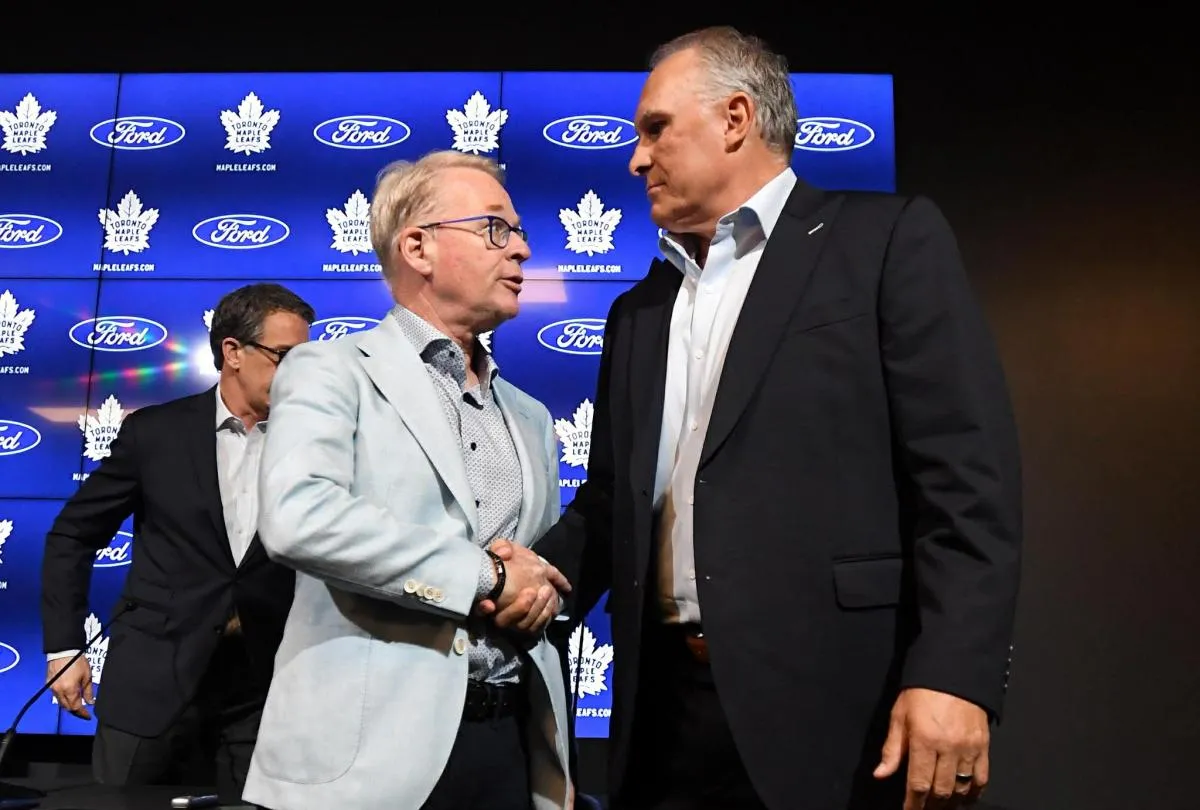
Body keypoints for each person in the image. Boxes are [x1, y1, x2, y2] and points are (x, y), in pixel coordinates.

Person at [530, 26, 1023, 810]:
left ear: (734, 119)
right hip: (662, 718)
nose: (635, 158)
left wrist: (954, 674)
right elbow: (612, 498)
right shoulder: (638, 310)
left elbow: (965, 479)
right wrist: (535, 574)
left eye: (655, 129)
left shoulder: (884, 241)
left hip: (843, 712)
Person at [242, 150, 574, 810]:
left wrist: (535, 592)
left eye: (520, 233)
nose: (523, 252)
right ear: (417, 246)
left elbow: (529, 572)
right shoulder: (329, 370)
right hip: (368, 759)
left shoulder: (533, 417)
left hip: (510, 744)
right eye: (495, 230)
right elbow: (300, 516)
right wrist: (485, 576)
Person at [40, 283, 316, 800]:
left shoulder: (318, 442)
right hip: (152, 686)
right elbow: (72, 535)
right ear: (233, 352)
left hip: (266, 695)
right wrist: (64, 647)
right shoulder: (155, 435)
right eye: (285, 357)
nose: (301, 373)